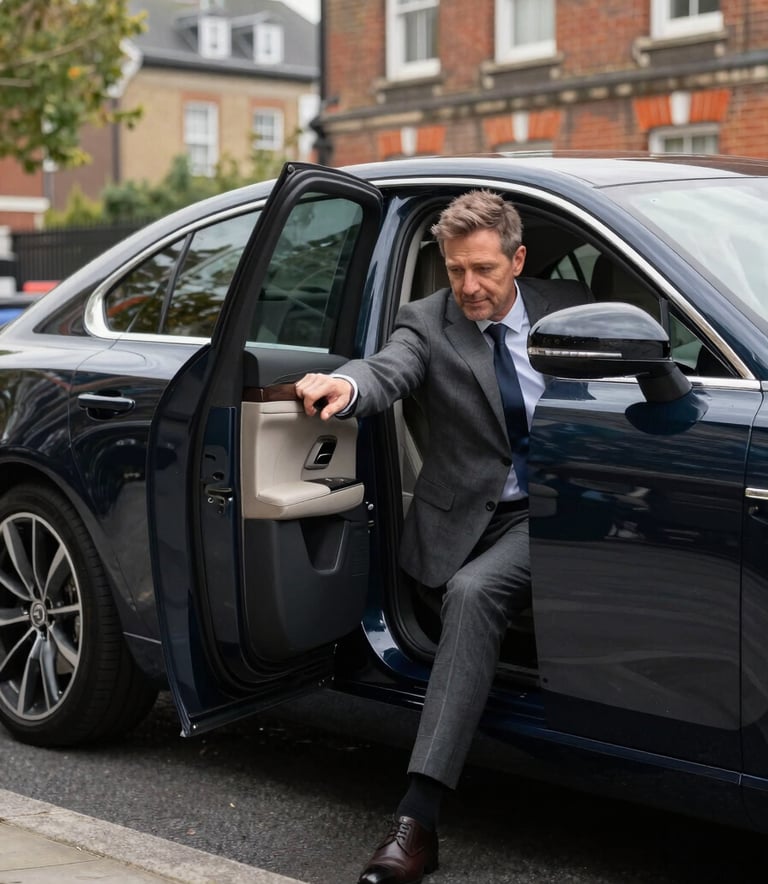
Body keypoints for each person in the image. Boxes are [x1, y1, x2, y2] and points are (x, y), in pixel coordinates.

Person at [295, 190, 592, 884]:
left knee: (474, 592)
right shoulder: (427, 321)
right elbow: (388, 367)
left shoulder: (568, 307)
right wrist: (344, 384)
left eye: (484, 269)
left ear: (517, 260)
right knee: (472, 590)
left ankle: (417, 811)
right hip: (467, 519)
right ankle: (418, 824)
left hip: (557, 510)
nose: (469, 287)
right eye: (455, 270)